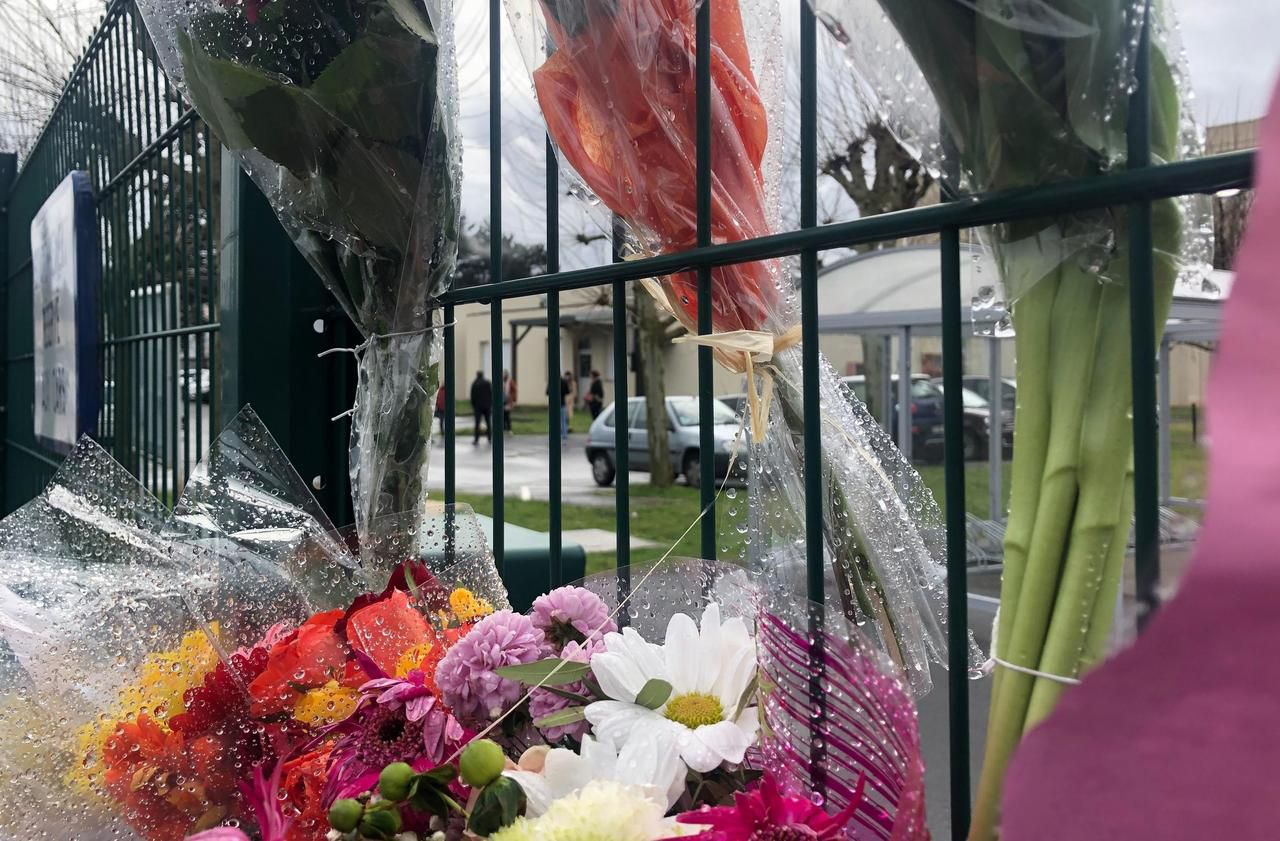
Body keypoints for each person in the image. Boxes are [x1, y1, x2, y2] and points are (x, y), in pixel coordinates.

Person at [469, 370, 492, 445]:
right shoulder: (487, 383)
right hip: (486, 406)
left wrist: (473, 405)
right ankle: (489, 438)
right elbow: (490, 394)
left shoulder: (475, 383)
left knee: (477, 423)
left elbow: (472, 396)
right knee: (488, 422)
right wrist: (490, 404)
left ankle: (476, 439)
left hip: (478, 407)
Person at [559, 371, 572, 442]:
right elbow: (568, 392)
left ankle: (556, 434)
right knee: (563, 420)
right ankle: (564, 435)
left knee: (554, 420)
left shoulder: (551, 380)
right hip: (562, 404)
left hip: (553, 406)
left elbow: (547, 392)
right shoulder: (564, 382)